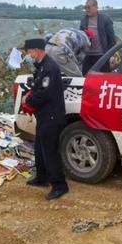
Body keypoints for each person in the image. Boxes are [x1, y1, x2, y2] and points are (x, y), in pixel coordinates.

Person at [22, 38, 69, 200]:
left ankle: (59, 185)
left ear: (36, 50)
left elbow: (45, 93)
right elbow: (37, 87)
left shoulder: (50, 68)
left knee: (50, 151)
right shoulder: (41, 66)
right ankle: (42, 177)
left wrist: (28, 101)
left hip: (52, 116)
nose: (28, 55)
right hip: (44, 115)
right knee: (40, 149)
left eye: (29, 51)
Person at [79, 0, 116, 75]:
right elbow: (81, 37)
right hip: (88, 54)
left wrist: (111, 54)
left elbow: (111, 37)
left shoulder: (105, 19)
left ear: (95, 7)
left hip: (102, 55)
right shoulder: (83, 20)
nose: (86, 9)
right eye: (85, 7)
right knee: (85, 76)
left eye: (88, 7)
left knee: (104, 78)